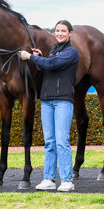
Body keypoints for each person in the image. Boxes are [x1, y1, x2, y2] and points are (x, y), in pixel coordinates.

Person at [20, 20, 80, 192]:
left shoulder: (71, 52)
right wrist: (39, 57)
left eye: (63, 30)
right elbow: (47, 65)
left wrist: (31, 57)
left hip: (63, 101)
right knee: (50, 142)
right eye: (57, 30)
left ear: (69, 33)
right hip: (46, 100)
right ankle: (49, 179)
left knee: (62, 142)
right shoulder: (54, 51)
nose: (60, 33)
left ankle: (67, 180)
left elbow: (52, 65)